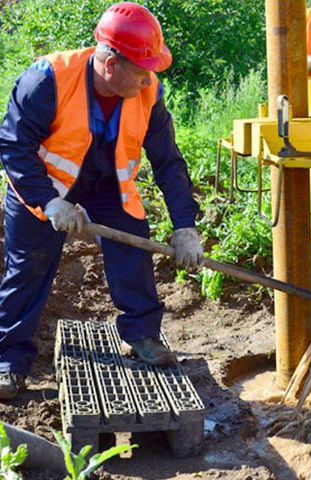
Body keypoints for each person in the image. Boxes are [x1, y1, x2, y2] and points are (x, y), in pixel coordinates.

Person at [0, 2, 204, 400]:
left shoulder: (149, 95)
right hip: (46, 185)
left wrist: (185, 225)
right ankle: (9, 360)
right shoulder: (48, 80)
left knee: (132, 245)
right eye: (143, 70)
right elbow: (13, 145)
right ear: (111, 65)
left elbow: (168, 163)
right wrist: (48, 202)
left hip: (107, 184)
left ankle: (143, 334)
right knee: (28, 267)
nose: (149, 80)